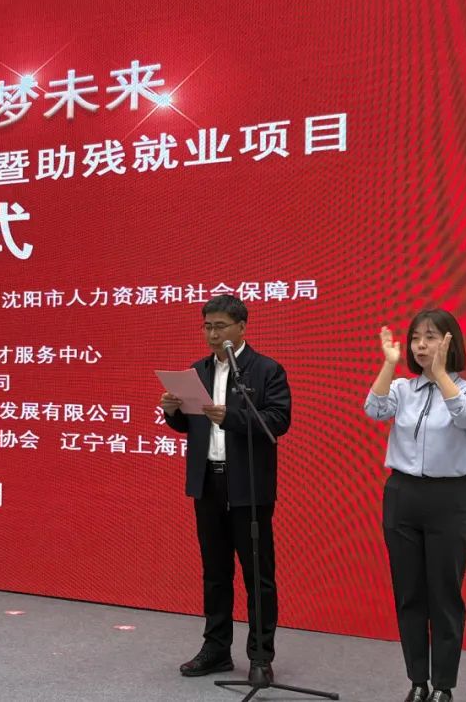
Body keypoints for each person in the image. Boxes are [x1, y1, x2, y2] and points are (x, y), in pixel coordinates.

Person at [160, 294, 291, 687]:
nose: (212, 334)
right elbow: (190, 427)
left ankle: (260, 656)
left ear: (241, 328)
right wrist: (172, 412)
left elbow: (277, 421)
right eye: (207, 326)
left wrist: (231, 417)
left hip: (248, 485)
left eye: (219, 326)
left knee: (257, 576)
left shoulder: (265, 370)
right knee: (215, 572)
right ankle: (216, 648)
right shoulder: (197, 371)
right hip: (208, 482)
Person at [365, 308, 466, 702]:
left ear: (450, 342)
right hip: (402, 495)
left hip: (449, 498)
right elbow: (373, 409)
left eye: (431, 337)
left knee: (444, 595)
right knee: (409, 593)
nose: (421, 345)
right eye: (416, 337)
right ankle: (417, 681)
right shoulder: (403, 389)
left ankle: (443, 686)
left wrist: (440, 375)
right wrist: (389, 364)